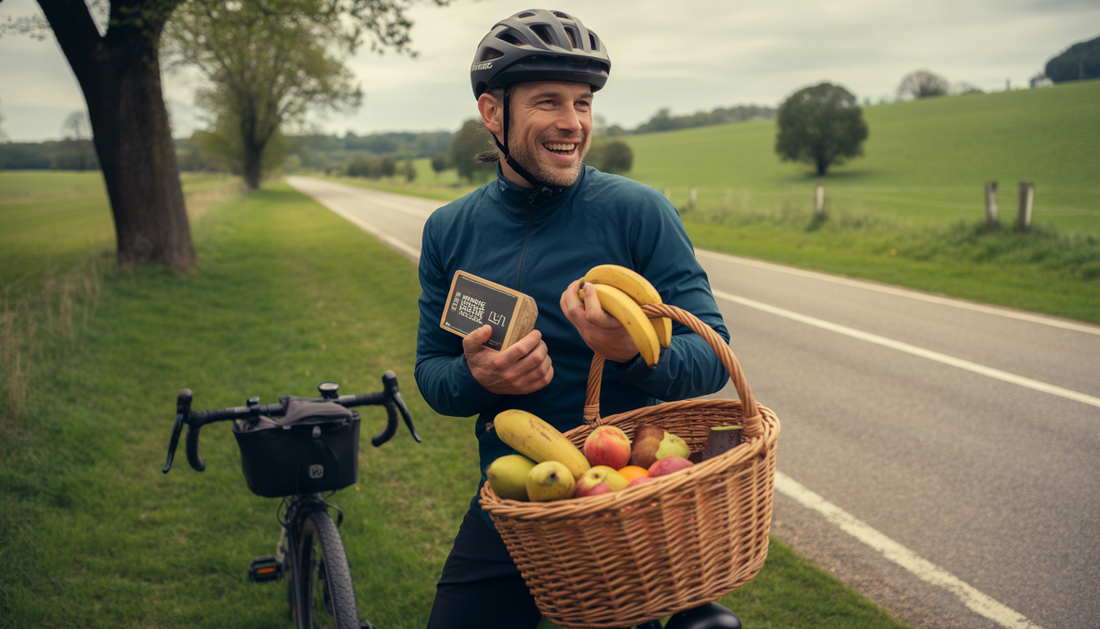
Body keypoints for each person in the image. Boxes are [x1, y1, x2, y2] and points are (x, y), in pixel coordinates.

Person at [415, 9, 731, 629]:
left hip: (623, 503)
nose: (572, 123)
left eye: (583, 103)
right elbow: (432, 372)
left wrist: (634, 354)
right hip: (511, 501)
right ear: (491, 112)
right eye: (548, 101)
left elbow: (714, 352)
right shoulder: (448, 230)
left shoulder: (638, 212)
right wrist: (480, 377)